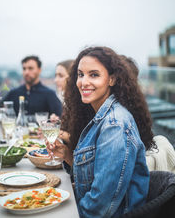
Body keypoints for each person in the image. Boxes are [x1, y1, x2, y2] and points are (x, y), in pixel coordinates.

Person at [46, 46, 155, 218]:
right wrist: (68, 156)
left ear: (112, 79)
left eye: (94, 75)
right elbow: (96, 176)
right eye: (80, 74)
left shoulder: (115, 125)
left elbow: (99, 209)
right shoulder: (100, 114)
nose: (84, 82)